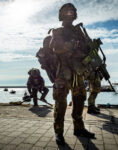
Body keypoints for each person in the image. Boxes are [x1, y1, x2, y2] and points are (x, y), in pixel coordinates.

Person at [49, 3, 95, 145]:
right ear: (62, 15)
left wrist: (90, 48)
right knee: (61, 103)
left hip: (78, 72)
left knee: (80, 99)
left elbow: (86, 49)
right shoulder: (57, 31)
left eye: (72, 12)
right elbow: (54, 47)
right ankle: (59, 133)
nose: (70, 15)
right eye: (67, 12)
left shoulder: (79, 32)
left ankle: (79, 128)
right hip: (64, 72)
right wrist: (69, 45)